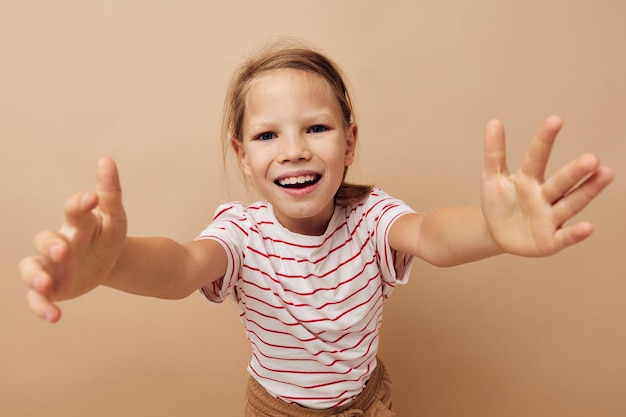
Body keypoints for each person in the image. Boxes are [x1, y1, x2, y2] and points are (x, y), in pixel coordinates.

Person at [18, 42, 614, 416]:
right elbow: (180, 267)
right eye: (267, 135)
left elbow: (431, 234)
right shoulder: (240, 233)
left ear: (350, 141)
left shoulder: (373, 217)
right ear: (243, 155)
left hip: (368, 402)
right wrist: (114, 264)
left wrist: (491, 228)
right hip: (277, 410)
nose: (294, 151)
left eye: (316, 129)